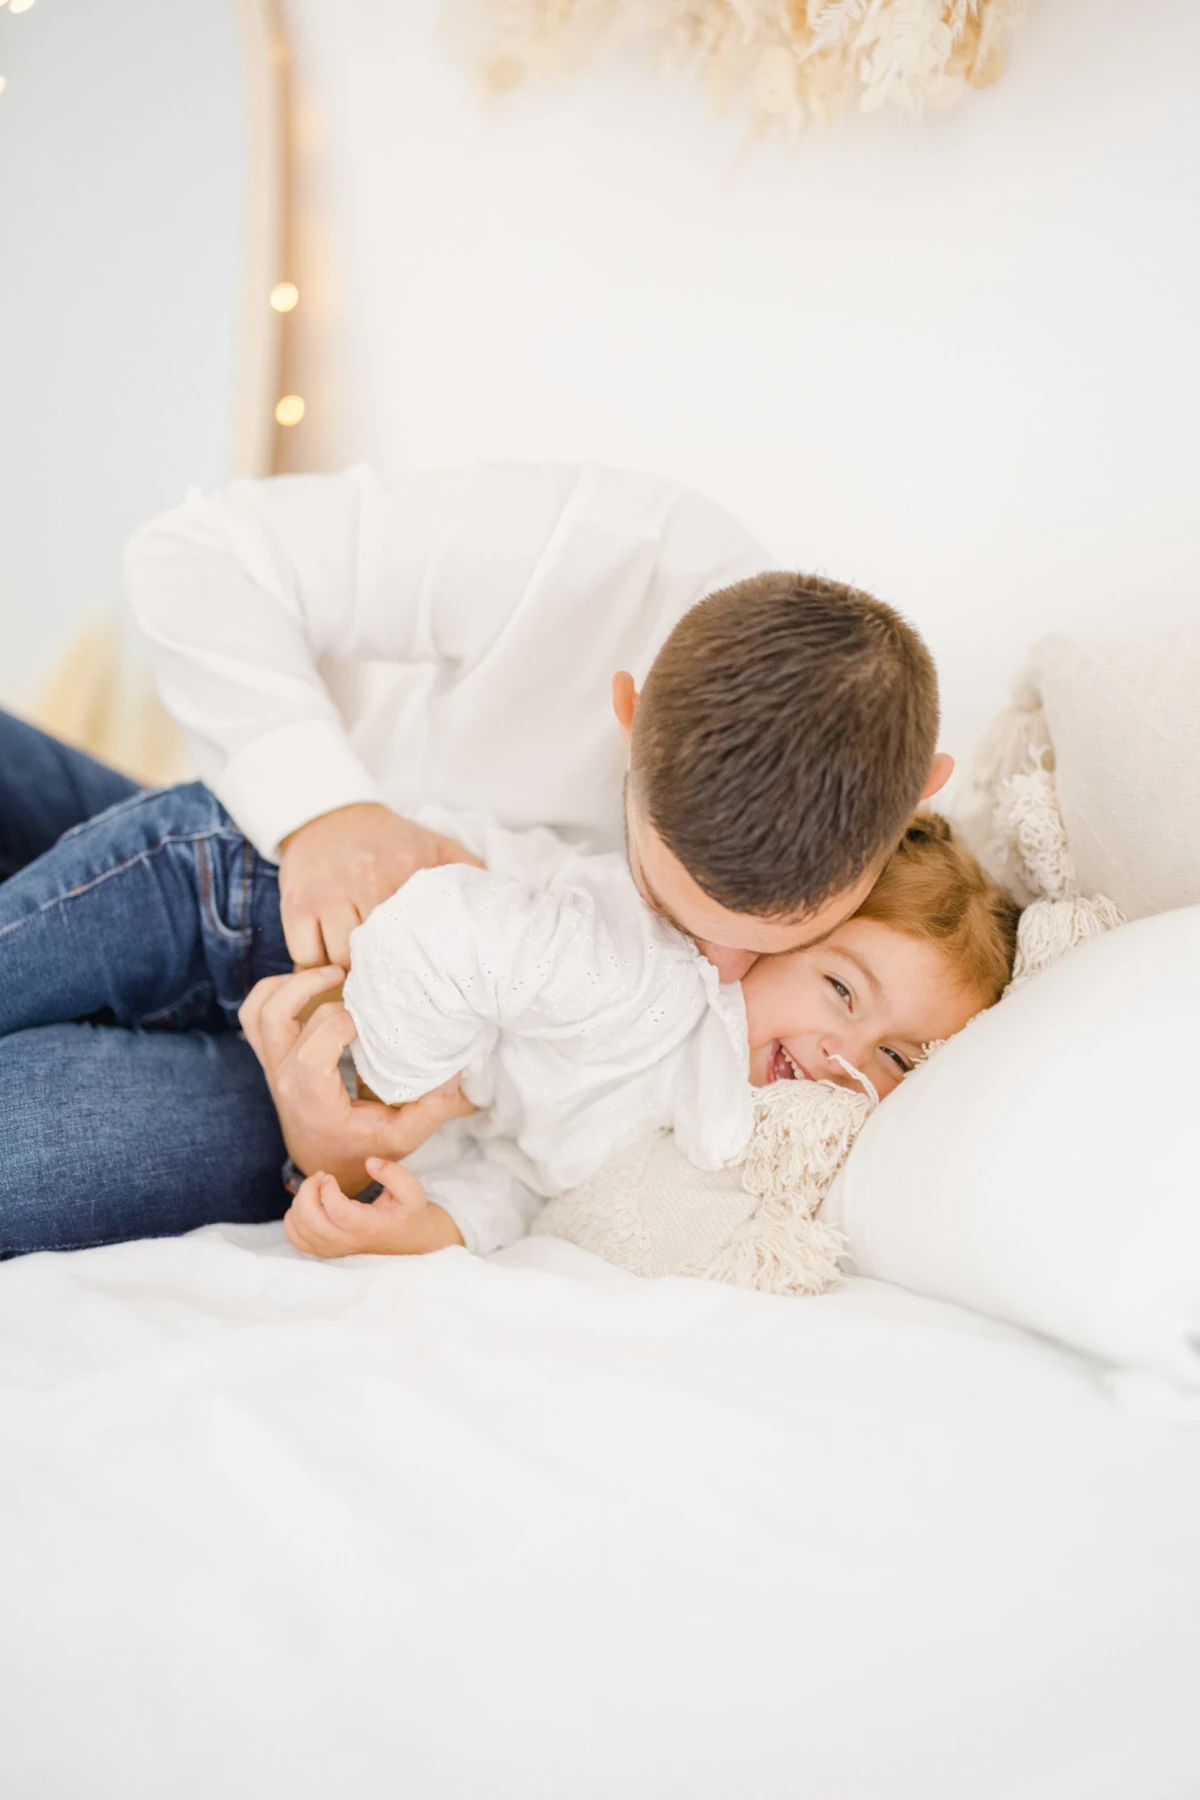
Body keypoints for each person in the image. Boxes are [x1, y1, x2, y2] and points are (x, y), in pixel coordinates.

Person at [0, 462, 951, 1253]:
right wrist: (324, 812)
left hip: (334, 1091)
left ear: (920, 800)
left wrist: (345, 1146)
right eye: (676, 906)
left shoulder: (838, 966)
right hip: (263, 874)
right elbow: (196, 552)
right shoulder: (600, 553)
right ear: (627, 715)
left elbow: (534, 1172)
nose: (713, 969)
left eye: (762, 944)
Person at [278, 814, 1019, 1261]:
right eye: (841, 990)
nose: (842, 1056)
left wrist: (437, 1226)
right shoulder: (649, 974)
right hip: (289, 908)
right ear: (775, 936)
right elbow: (441, 934)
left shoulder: (701, 1118)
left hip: (300, 1075)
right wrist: (380, 1087)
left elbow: (540, 1178)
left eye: (892, 1057)